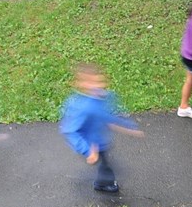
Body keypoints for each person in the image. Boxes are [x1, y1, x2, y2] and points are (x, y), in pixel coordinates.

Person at [60, 63, 145, 193]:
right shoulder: (82, 107)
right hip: (92, 144)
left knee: (104, 161)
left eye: (99, 80)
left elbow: (107, 116)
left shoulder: (103, 96)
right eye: (91, 82)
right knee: (104, 164)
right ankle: (103, 184)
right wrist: (87, 151)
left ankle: (103, 180)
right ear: (82, 85)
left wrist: (128, 127)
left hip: (101, 139)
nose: (97, 85)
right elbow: (70, 131)